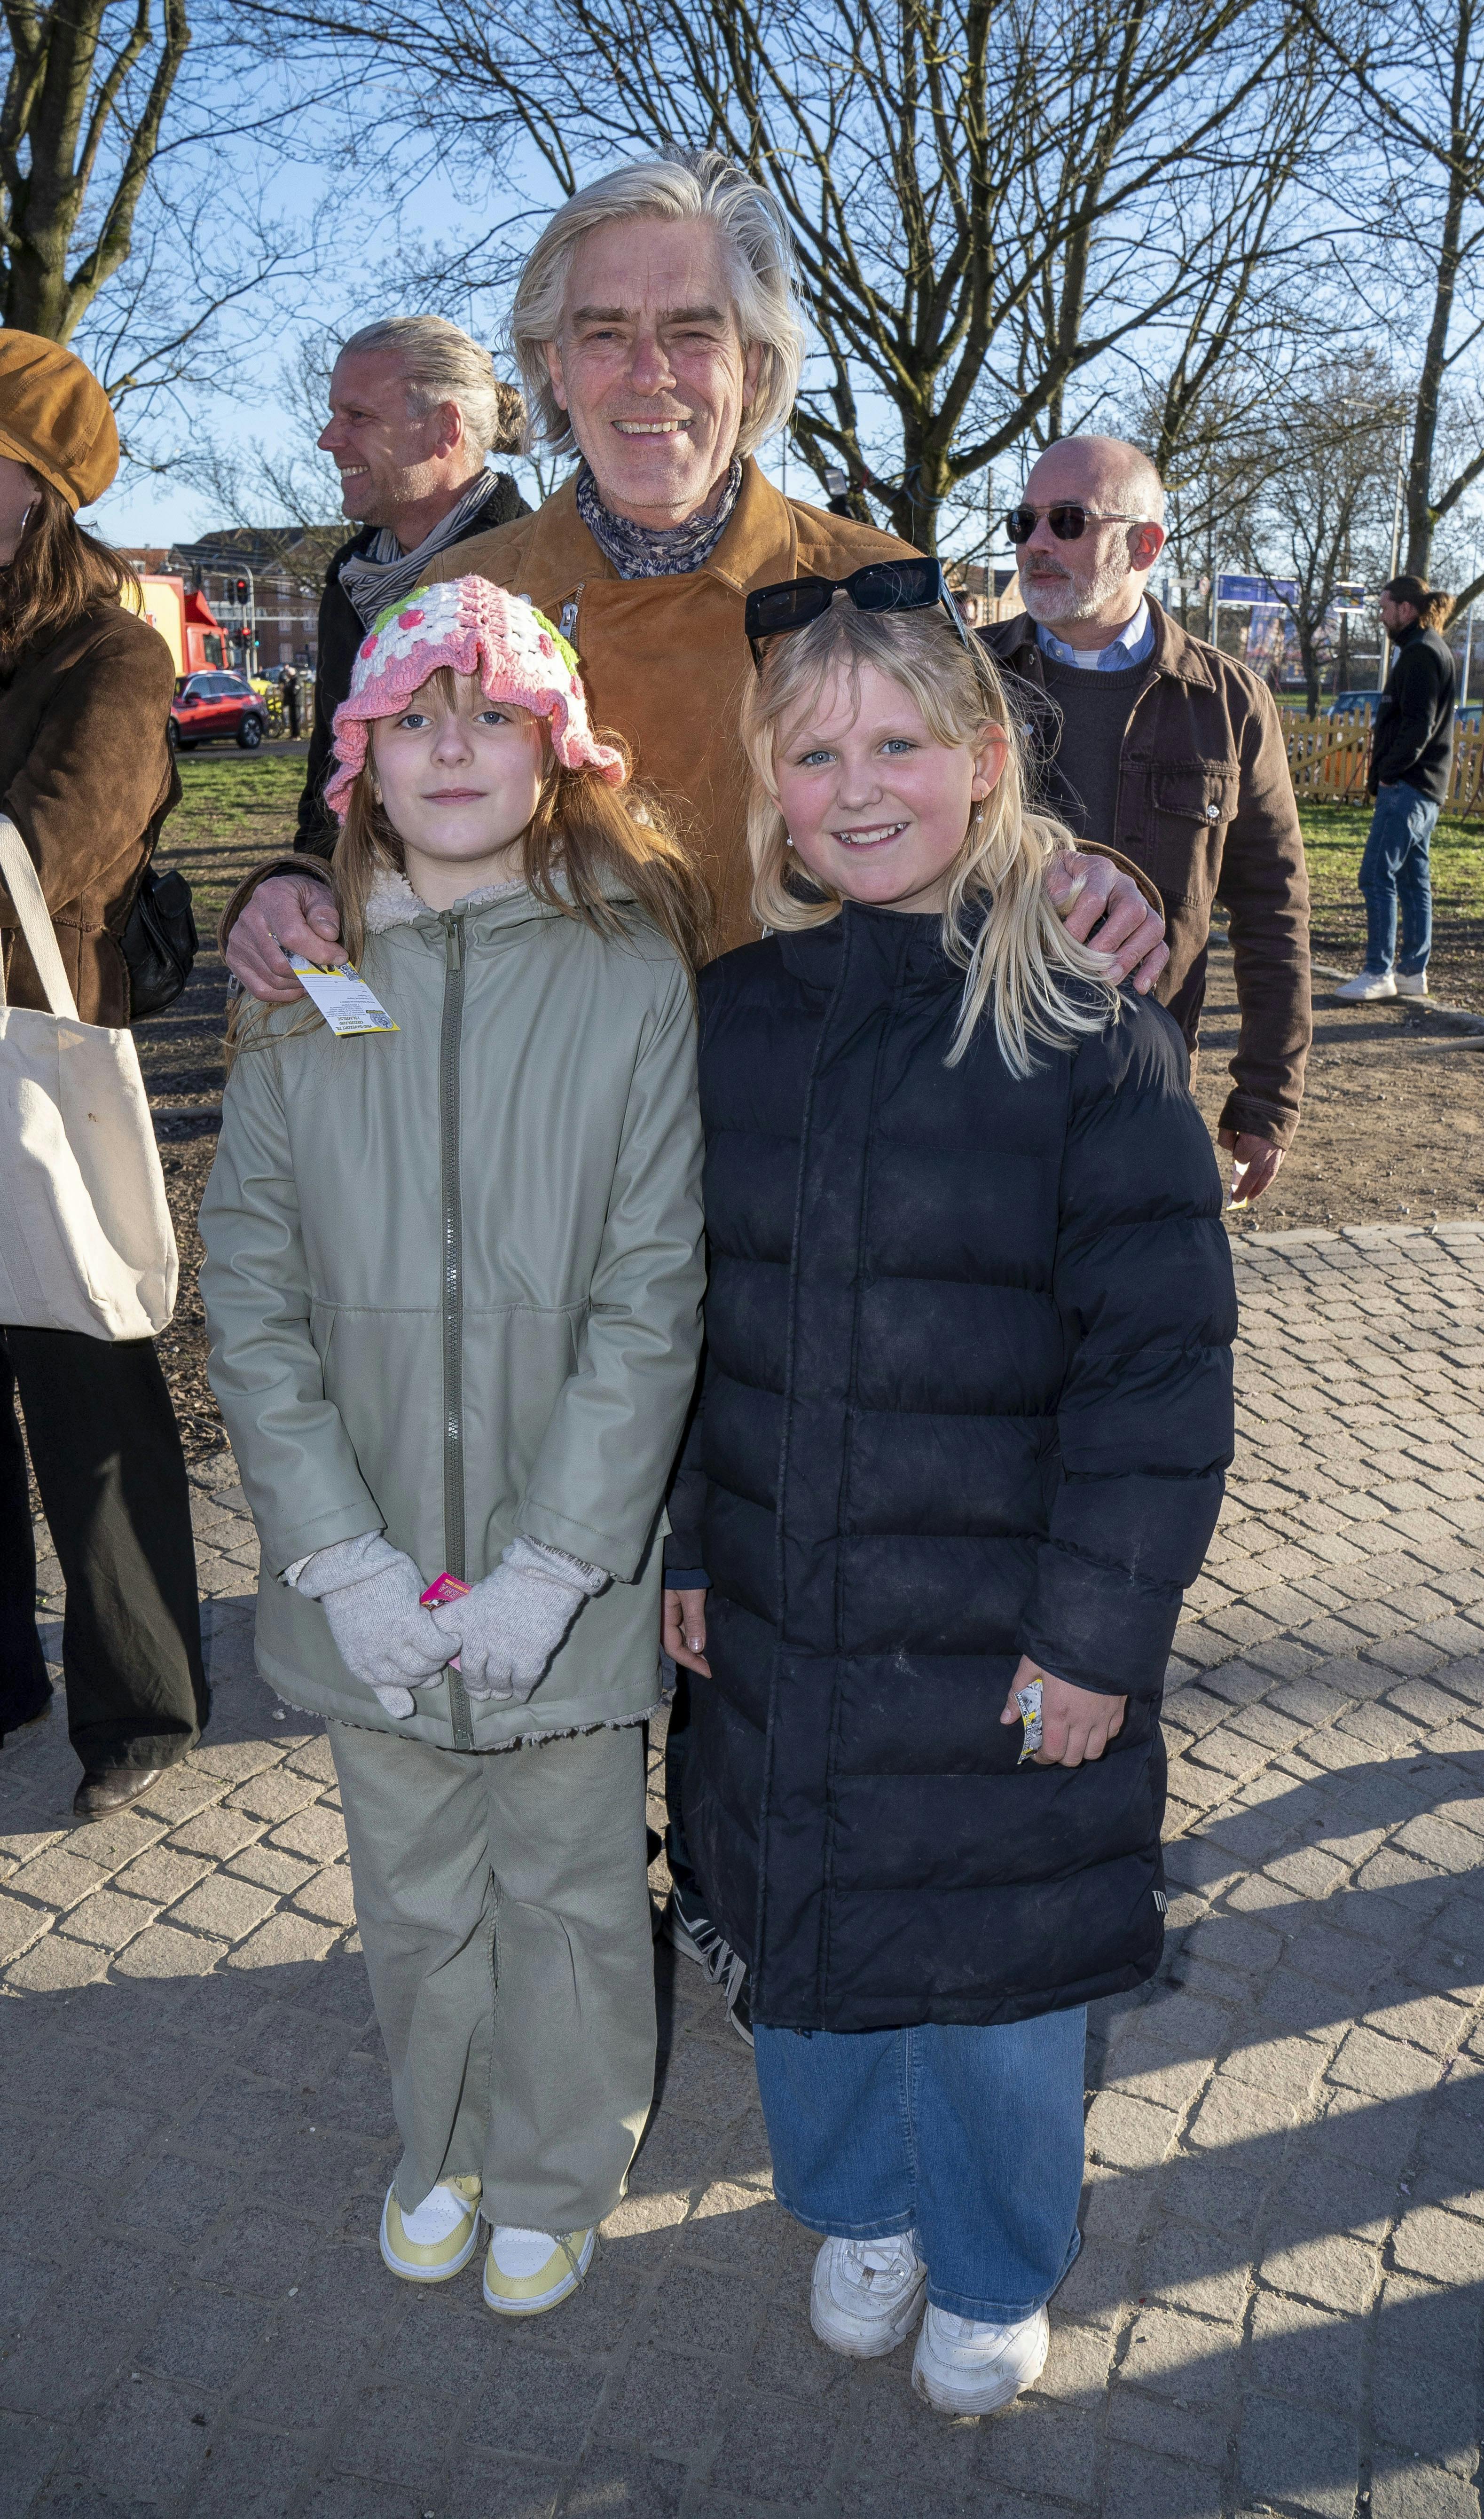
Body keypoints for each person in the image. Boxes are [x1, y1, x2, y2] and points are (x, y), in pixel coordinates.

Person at [216, 151, 1169, 2035]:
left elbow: (964, 809)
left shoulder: (861, 580)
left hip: (812, 1215)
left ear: (756, 361)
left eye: (692, 331)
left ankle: (777, 1950)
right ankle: (569, 1963)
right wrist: (281, 900)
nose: (648, 374)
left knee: (766, 1620)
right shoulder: (463, 594)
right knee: (559, 1614)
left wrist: (1088, 879)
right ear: (548, 366)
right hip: (537, 1239)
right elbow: (361, 861)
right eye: (603, 333)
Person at [662, 586, 1235, 2416]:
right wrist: (687, 1536)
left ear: (985, 763)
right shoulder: (732, 1017)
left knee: (990, 1965)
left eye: (898, 743)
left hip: (1003, 1614)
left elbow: (1161, 1377)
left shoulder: (1087, 1028)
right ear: (770, 787)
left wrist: (1095, 1633)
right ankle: (857, 2199)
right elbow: (680, 1307)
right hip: (778, 1578)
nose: (857, 786)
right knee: (811, 1924)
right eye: (814, 751)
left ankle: (991, 2251)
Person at [200, 576, 706, 2319]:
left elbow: (656, 1291)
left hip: (561, 1572)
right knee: (414, 1892)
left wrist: (559, 1561)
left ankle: (564, 2166)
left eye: (491, 714)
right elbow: (250, 1300)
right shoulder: (300, 993)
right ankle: (449, 2139)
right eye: (414, 715)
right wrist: (338, 1558)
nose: (454, 747)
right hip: (374, 1574)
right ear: (360, 761)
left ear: (558, 750)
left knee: (569, 1892)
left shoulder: (636, 973)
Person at [0, 329, 208, 1813]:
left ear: (36, 490)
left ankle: (141, 1710)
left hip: (33, 1070)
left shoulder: (113, 654)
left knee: (89, 1391)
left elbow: (52, 848)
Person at [985, 433, 1313, 1208]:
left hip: (1144, 1087)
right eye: (1021, 520)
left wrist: (1267, 1094)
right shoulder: (960, 681)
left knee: (1141, 1321)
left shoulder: (1229, 703)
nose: (1034, 542)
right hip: (971, 1080)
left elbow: (1274, 910)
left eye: (1066, 521)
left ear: (1144, 544)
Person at [293, 316, 527, 858]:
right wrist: (303, 879)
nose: (329, 439)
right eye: (334, 414)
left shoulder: (535, 581)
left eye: (358, 416)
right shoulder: (351, 580)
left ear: (445, 428)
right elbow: (328, 780)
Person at [1335, 574, 1455, 1003]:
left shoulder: (1421, 654)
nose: (1381, 617)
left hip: (1407, 786)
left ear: (1406, 609)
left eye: (1385, 609)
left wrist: (1389, 770)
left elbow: (1417, 725)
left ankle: (1378, 971)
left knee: (1375, 875)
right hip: (1426, 787)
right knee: (1412, 876)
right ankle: (1411, 972)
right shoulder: (1429, 649)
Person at [279, 659, 301, 740]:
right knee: (292, 720)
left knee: (296, 719)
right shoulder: (291, 681)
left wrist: (287, 689)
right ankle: (293, 734)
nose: (288, 676)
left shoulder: (297, 680)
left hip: (296, 703)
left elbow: (294, 691)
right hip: (291, 703)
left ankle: (297, 735)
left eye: (289, 675)